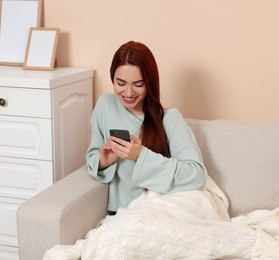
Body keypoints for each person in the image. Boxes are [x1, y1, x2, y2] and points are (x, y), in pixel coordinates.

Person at [86, 41, 207, 213]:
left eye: (138, 84)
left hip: (162, 209)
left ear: (150, 82)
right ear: (112, 78)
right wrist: (103, 162)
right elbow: (92, 155)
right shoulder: (105, 106)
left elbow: (196, 175)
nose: (128, 93)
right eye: (120, 83)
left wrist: (140, 155)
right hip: (123, 214)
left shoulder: (170, 119)